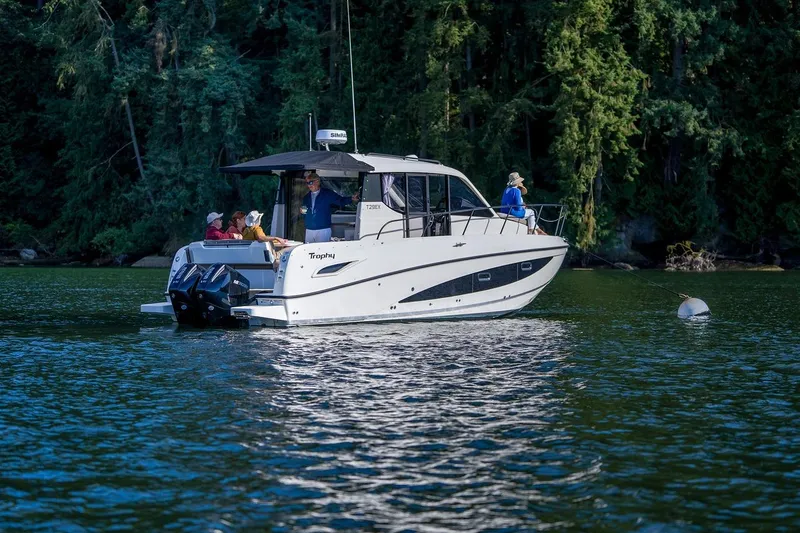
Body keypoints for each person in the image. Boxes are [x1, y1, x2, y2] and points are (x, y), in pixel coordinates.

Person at [301, 172, 359, 243]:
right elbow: (304, 213)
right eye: (307, 183)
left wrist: (351, 199)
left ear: (317, 181)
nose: (308, 185)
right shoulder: (306, 197)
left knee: (322, 252)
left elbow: (341, 201)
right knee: (308, 252)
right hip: (309, 230)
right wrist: (302, 212)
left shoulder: (327, 194)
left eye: (310, 182)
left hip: (323, 230)